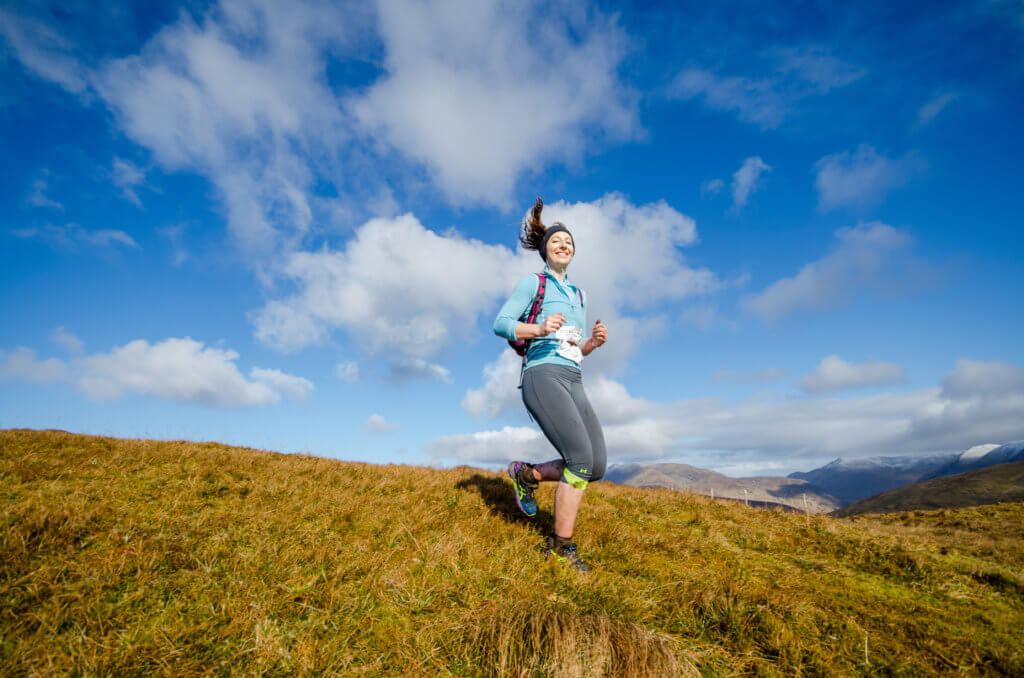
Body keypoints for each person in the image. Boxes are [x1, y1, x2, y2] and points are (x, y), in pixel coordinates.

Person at [492, 197, 609, 572]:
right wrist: (539, 328)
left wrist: (592, 343)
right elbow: (501, 323)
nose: (563, 245)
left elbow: (575, 347)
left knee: (597, 466)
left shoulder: (579, 295)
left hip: (573, 375)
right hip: (542, 374)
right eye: (557, 241)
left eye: (569, 242)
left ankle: (525, 475)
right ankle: (560, 547)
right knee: (579, 460)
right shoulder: (534, 282)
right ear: (545, 250)